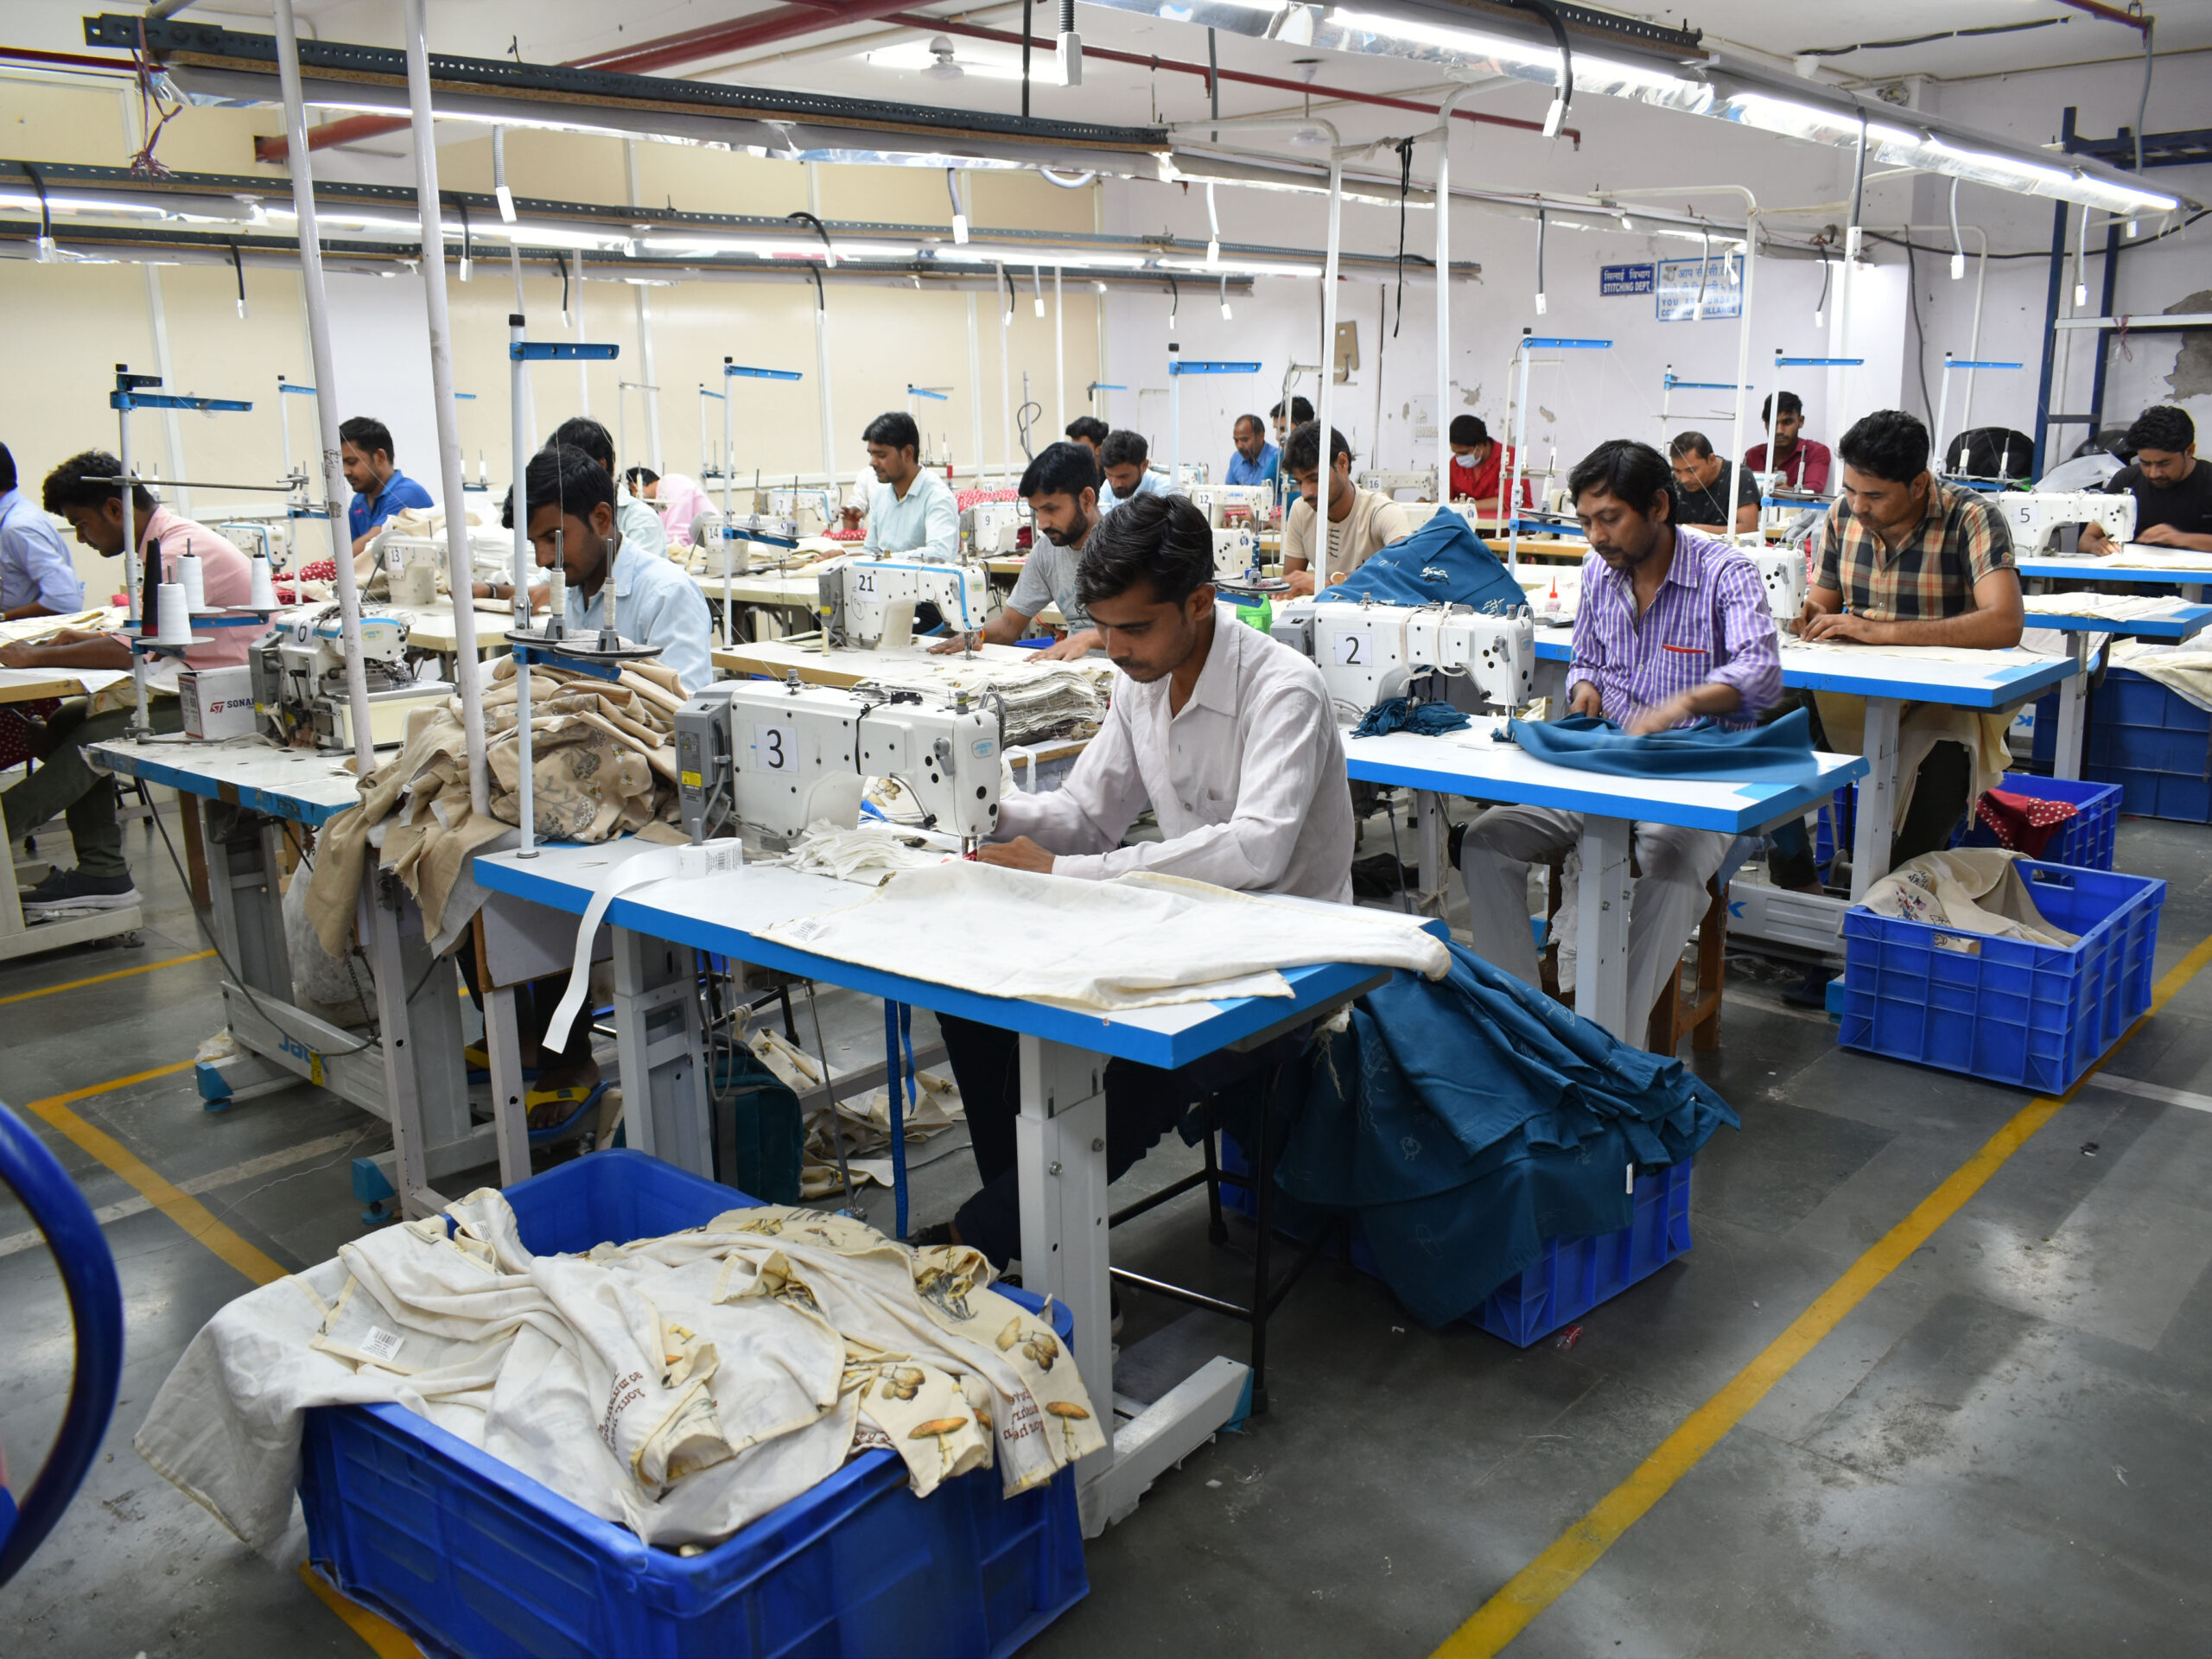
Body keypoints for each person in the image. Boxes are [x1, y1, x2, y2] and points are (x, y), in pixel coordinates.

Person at [912, 491, 1355, 1267]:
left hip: (1289, 954)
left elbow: (1256, 851)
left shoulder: (1283, 690)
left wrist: (1068, 870)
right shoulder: (1137, 682)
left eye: (1136, 628)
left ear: (1200, 602)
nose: (1114, 648)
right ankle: (1037, 1248)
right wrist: (984, 812)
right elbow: (1088, 815)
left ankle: (980, 1242)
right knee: (974, 1007)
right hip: (1187, 927)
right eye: (1104, 626)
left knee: (1137, 1065)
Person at [1459, 439, 1782, 1029]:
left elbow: (1760, 673)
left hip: (1691, 781)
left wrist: (1680, 705)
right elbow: (1586, 657)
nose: (1596, 536)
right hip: (1605, 766)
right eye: (1586, 521)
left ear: (1658, 506)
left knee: (1672, 871)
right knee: (1485, 842)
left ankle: (1612, 1046)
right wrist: (1584, 686)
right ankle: (1525, 1025)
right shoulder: (1598, 573)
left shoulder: (1725, 574)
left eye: (1609, 518)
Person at [462, 445, 717, 1119]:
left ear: (602, 519)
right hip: (592, 774)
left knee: (534, 865)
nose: (546, 558)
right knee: (464, 844)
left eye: (554, 538)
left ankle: (567, 1055)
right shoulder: (574, 593)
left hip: (652, 790)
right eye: (536, 544)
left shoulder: (666, 594)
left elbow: (682, 714)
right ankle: (526, 1031)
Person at [2, 453, 257, 913]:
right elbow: (146, 635)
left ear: (114, 508)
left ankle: (6, 830)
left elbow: (130, 651)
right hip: (195, 680)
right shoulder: (162, 542)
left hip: (227, 695)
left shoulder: (177, 552)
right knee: (67, 719)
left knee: (98, 734)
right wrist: (83, 639)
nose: (81, 539)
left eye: (81, 525)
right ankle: (103, 872)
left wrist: (34, 656)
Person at [1796, 408, 2023, 874]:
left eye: (1874, 495)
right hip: (1855, 685)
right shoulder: (1842, 515)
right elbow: (1821, 603)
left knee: (1946, 758)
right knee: (1755, 714)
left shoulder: (1972, 517)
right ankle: (1797, 877)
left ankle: (1896, 888)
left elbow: (2004, 623)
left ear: (1919, 485)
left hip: (1942, 694)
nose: (1858, 506)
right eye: (1850, 490)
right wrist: (1796, 613)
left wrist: (1882, 633)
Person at [929, 442, 1102, 660]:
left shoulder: (1125, 545)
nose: (1042, 524)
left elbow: (1143, 632)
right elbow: (1009, 626)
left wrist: (1086, 639)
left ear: (1086, 499)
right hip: (1079, 670)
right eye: (1037, 511)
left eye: (1051, 509)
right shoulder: (1046, 551)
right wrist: (978, 633)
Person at [1281, 421, 1410, 596]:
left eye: (1315, 479)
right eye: (1299, 482)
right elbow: (1290, 586)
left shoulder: (1382, 512)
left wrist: (1328, 583)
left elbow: (1404, 571)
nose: (1306, 492)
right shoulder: (1301, 510)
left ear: (1342, 463)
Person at [2081, 405, 2212, 556]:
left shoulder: (2208, 480)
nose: (2154, 473)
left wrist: (2182, 539)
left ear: (2189, 451)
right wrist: (2096, 546)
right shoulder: (2126, 479)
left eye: (2164, 463)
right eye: (2145, 463)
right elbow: (2086, 539)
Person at [547, 416, 666, 559]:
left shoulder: (641, 520)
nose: (559, 480)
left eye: (566, 470)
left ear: (600, 466)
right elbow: (549, 570)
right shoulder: (566, 515)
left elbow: (636, 570)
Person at [0, 442, 85, 620]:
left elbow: (65, 599)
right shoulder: (13, 514)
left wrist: (3, 617)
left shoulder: (19, 527)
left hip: (25, 634)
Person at [858, 411, 957, 562]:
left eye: (881, 455)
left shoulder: (937, 496)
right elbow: (870, 552)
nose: (873, 462)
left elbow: (939, 554)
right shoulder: (880, 496)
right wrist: (842, 557)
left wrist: (886, 559)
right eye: (871, 455)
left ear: (908, 453)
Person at [340, 416, 435, 556]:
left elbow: (370, 545)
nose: (345, 472)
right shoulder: (358, 502)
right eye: (341, 464)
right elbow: (349, 551)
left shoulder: (408, 493)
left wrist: (325, 565)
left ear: (380, 457)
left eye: (351, 462)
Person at [1668, 431, 1759, 534]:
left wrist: (1686, 530)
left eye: (1691, 470)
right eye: (1677, 471)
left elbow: (1749, 528)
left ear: (1711, 460)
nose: (1684, 479)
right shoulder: (1671, 480)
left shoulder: (1738, 476)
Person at [1744, 391, 1831, 494]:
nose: (1779, 431)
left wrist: (1778, 492)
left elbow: (1813, 491)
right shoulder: (1753, 455)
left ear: (1801, 421)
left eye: (1787, 422)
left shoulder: (1816, 452)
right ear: (1766, 424)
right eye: (1773, 423)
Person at [1446, 415, 1527, 513]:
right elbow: (1445, 499)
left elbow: (1505, 503)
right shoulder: (1455, 464)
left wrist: (1460, 506)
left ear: (1480, 445)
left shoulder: (1510, 458)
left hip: (1509, 522)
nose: (1458, 457)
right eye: (1455, 452)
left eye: (1464, 453)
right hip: (1471, 522)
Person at [624, 466, 714, 550]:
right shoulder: (666, 489)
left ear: (634, 487)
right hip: (703, 544)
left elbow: (677, 536)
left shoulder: (673, 486)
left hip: (710, 543)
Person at [1096, 429, 1171, 513]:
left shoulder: (1164, 491)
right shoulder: (1107, 487)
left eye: (1124, 476)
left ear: (1144, 466)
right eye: (1109, 474)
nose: (1115, 484)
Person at [1271, 396, 1314, 511]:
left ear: (1304, 427)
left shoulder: (1322, 462)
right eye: (1276, 429)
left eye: (1283, 429)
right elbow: (1264, 494)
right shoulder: (1278, 460)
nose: (1277, 437)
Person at [1224, 413, 1279, 489]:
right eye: (1236, 441)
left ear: (1261, 436)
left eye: (1245, 440)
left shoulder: (1277, 459)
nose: (1239, 446)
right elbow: (1228, 492)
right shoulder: (1236, 458)